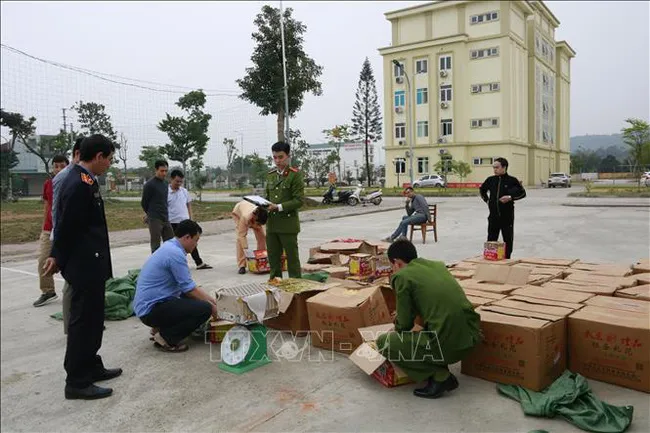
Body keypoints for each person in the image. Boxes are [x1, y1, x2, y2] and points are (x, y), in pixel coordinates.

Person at [43, 134, 122, 400]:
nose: (109, 164)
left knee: (93, 320)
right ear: (98, 157)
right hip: (84, 264)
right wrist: (57, 255)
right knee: (82, 323)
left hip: (92, 262)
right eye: (109, 159)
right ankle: (76, 381)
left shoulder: (86, 180)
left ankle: (90, 365)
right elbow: (67, 225)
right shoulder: (77, 182)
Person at [377, 239, 481, 399]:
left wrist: (397, 328)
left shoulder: (402, 277)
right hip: (471, 338)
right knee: (427, 331)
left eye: (392, 266)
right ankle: (439, 366)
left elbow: (404, 325)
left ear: (396, 263)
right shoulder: (437, 266)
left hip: (448, 345)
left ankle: (441, 377)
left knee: (385, 342)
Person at [133, 219, 217, 353]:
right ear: (187, 237)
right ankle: (166, 337)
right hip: (151, 310)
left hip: (150, 305)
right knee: (204, 309)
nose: (196, 245)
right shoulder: (175, 254)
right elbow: (190, 289)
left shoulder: (170, 246)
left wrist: (213, 301)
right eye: (196, 240)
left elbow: (187, 287)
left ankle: (160, 327)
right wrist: (213, 307)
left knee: (195, 300)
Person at [50, 137, 84, 333]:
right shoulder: (64, 177)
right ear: (78, 154)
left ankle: (82, 321)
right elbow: (57, 212)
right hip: (67, 238)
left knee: (81, 284)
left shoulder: (84, 175)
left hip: (81, 238)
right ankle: (70, 327)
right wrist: (57, 247)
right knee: (71, 284)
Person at [265, 141, 305, 280]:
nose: (277, 161)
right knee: (273, 260)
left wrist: (279, 207)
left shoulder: (295, 175)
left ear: (288, 156)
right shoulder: (270, 175)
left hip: (288, 225)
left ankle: (296, 290)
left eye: (280, 157)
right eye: (275, 157)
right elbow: (267, 197)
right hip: (272, 225)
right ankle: (275, 288)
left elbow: (299, 200)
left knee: (292, 261)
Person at [33, 154, 69, 307]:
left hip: (66, 229)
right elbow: (47, 206)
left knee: (70, 262)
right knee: (43, 259)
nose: (59, 169)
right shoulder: (48, 184)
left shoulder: (72, 183)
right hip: (49, 229)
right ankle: (48, 291)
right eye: (56, 166)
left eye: (62, 166)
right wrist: (44, 227)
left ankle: (75, 292)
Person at [479, 157, 526, 259]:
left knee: (508, 240)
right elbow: (482, 190)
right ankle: (490, 260)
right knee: (491, 240)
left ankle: (507, 260)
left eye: (497, 167)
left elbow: (522, 193)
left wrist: (510, 197)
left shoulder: (512, 180)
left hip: (507, 217)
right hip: (493, 216)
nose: (495, 169)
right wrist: (488, 201)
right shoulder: (490, 180)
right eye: (493, 167)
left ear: (504, 167)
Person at [167, 169, 212, 270]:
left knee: (192, 243)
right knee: (176, 245)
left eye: (180, 181)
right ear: (171, 179)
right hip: (172, 223)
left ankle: (199, 263)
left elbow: (189, 206)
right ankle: (176, 265)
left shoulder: (184, 191)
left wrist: (191, 219)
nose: (179, 183)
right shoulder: (166, 192)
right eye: (177, 181)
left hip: (185, 222)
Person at [141, 160, 173, 253]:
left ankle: (169, 264)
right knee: (156, 245)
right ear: (156, 170)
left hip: (165, 217)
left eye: (166, 171)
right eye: (162, 171)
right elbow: (144, 202)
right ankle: (156, 266)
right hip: (155, 218)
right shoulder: (149, 185)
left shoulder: (166, 184)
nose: (164, 173)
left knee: (170, 243)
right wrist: (150, 214)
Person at [232, 200, 268, 274]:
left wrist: (258, 225)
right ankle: (242, 265)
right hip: (238, 212)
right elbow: (242, 236)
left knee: (262, 236)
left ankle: (261, 259)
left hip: (252, 214)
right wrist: (247, 251)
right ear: (255, 217)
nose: (259, 226)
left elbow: (263, 233)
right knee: (240, 239)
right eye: (258, 224)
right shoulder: (245, 217)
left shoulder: (261, 214)